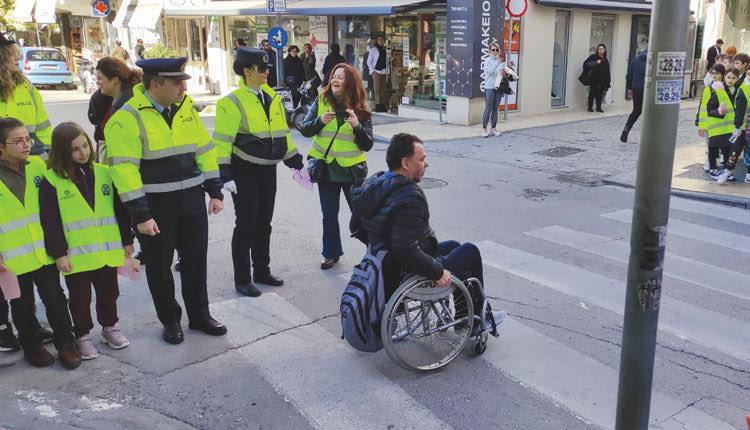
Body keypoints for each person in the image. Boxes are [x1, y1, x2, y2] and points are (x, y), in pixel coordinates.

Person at [104, 57, 227, 344]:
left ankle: (199, 315)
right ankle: (171, 321)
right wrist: (141, 215)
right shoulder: (127, 117)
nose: (184, 86)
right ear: (155, 86)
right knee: (160, 268)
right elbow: (124, 170)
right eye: (177, 82)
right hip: (156, 207)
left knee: (196, 261)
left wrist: (215, 190)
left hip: (192, 200)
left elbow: (205, 150)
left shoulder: (185, 108)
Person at [349, 133, 505, 327]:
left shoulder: (374, 183)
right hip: (404, 270)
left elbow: (355, 227)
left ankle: (464, 315)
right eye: (422, 159)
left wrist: (381, 245)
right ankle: (476, 323)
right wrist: (438, 272)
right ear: (406, 163)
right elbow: (405, 250)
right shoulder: (408, 195)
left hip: (386, 265)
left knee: (454, 246)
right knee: (470, 252)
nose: (426, 164)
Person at [213, 47, 304, 297]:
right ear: (246, 72)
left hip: (267, 169)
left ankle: (261, 270)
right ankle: (242, 278)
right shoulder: (231, 102)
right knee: (246, 224)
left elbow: (281, 133)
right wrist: (225, 175)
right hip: (244, 169)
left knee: (264, 223)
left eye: (267, 68)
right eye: (261, 69)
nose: (266, 72)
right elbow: (222, 142)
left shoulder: (272, 98)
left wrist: (292, 156)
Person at [39, 122, 134, 360]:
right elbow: (50, 220)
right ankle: (82, 335)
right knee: (80, 299)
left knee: (109, 292)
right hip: (77, 255)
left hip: (107, 251)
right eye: (75, 149)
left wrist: (127, 239)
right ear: (62, 151)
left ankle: (110, 327)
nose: (83, 153)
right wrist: (59, 253)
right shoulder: (52, 180)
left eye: (85, 146)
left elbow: (119, 210)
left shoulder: (103, 172)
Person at [0, 117, 81, 369]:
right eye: (18, 141)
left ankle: (66, 344)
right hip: (12, 259)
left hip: (44, 251)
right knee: (21, 305)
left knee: (55, 298)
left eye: (27, 138)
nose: (27, 144)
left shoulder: (38, 166)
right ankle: (32, 346)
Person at [300, 63, 373, 270]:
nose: (334, 80)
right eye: (334, 76)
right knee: (329, 215)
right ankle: (330, 253)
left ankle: (374, 252)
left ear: (350, 82)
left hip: (352, 171)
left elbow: (367, 144)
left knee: (360, 216)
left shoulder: (360, 108)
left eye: (340, 77)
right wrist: (320, 121)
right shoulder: (321, 100)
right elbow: (305, 129)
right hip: (326, 170)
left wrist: (357, 126)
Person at [0, 33, 52, 159]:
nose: (18, 58)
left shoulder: (27, 88)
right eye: (12, 54)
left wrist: (49, 155)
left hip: (32, 159)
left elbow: (43, 126)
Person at [89, 57, 142, 162]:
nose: (97, 83)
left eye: (100, 79)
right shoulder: (103, 101)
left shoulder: (130, 104)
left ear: (115, 80)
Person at [716, 65, 750, 184]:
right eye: (749, 74)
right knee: (735, 150)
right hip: (743, 127)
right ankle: (728, 170)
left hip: (744, 127)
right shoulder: (744, 89)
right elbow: (740, 110)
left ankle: (747, 174)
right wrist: (737, 126)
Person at [707, 67, 740, 184]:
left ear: (737, 79)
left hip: (729, 127)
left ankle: (727, 169)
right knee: (713, 147)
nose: (730, 80)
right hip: (716, 125)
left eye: (733, 78)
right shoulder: (718, 89)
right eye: (728, 77)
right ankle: (712, 168)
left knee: (727, 148)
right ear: (724, 76)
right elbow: (709, 109)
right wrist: (719, 112)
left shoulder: (737, 90)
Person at [698, 64, 726, 171]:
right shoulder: (708, 87)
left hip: (718, 121)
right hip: (708, 121)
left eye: (717, 73)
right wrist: (698, 121)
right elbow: (702, 105)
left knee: (715, 144)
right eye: (713, 73)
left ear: (722, 74)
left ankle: (712, 162)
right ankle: (709, 162)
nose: (714, 76)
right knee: (710, 144)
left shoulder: (723, 87)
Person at [621, 48, 648, 143]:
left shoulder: (635, 60)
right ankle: (648, 135)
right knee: (650, 112)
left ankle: (626, 128)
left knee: (636, 111)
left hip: (637, 88)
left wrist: (630, 88)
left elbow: (629, 76)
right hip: (649, 90)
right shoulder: (653, 61)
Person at [481, 42, 504, 138]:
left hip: (498, 87)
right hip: (489, 87)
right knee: (488, 108)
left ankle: (493, 128)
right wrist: (497, 63)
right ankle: (484, 129)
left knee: (495, 108)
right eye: (493, 50)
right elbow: (489, 72)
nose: (495, 52)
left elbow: (502, 74)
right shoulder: (487, 61)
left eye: (496, 50)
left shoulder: (501, 61)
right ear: (490, 51)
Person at [582, 44, 611, 113]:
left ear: (604, 50)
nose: (600, 50)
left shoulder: (605, 59)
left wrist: (608, 81)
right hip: (594, 79)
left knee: (600, 95)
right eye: (599, 49)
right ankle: (590, 107)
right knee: (592, 94)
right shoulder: (593, 57)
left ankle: (598, 108)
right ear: (597, 50)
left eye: (602, 49)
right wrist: (595, 62)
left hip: (602, 81)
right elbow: (585, 64)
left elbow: (607, 71)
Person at [366, 35, 388, 112]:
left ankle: (383, 105)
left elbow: (388, 60)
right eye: (378, 39)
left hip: (384, 72)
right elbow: (369, 61)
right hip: (376, 71)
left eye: (382, 39)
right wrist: (372, 71)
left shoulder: (385, 49)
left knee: (383, 90)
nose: (380, 41)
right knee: (377, 90)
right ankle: (378, 105)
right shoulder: (373, 50)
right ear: (376, 41)